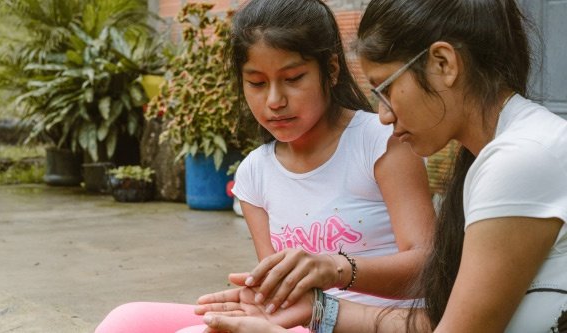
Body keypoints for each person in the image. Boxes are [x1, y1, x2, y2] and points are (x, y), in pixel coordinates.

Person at [194, 0, 567, 332]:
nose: (384, 116)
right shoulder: (497, 154)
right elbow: (434, 322)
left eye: (385, 89)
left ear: (444, 64)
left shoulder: (520, 160)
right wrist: (317, 309)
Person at [95, 0, 435, 332]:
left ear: (330, 70)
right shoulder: (254, 173)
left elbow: (427, 269)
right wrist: (260, 299)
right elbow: (277, 294)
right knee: (126, 321)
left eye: (293, 78)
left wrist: (335, 268)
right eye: (257, 83)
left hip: (374, 323)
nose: (275, 101)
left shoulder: (380, 142)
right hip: (296, 321)